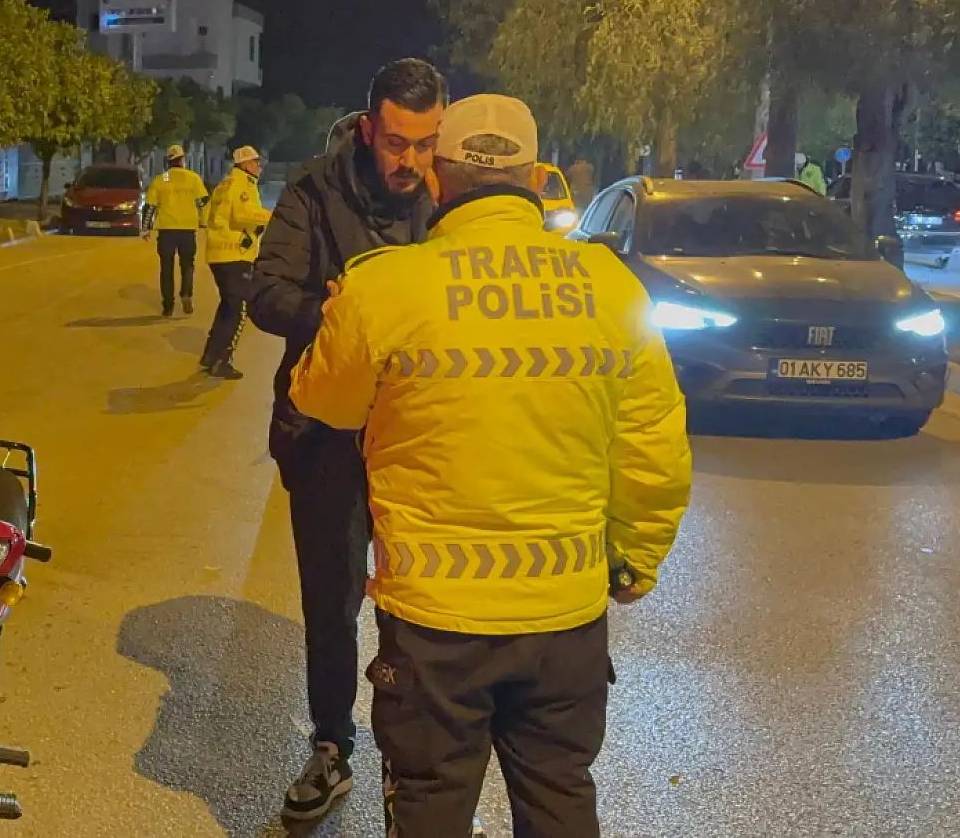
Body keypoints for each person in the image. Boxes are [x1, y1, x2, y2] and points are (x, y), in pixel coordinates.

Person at [289, 94, 692, 837]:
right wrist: (636, 555)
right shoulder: (613, 289)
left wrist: (343, 314)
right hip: (564, 617)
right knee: (560, 795)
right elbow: (653, 442)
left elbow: (325, 401)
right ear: (537, 179)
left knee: (432, 802)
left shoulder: (385, 286)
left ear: (438, 180)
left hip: (435, 624)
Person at [247, 57, 446, 822]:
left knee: (421, 602)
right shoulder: (314, 191)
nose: (411, 162)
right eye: (397, 142)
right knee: (332, 602)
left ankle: (420, 766)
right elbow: (265, 292)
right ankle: (332, 744)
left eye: (426, 144)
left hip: (420, 434)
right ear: (369, 130)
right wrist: (335, 317)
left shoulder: (444, 199)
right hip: (324, 435)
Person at [200, 145, 274, 380]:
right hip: (235, 255)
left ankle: (211, 355)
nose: (259, 166)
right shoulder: (243, 184)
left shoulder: (225, 183)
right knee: (238, 310)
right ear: (244, 164)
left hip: (219, 253)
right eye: (255, 162)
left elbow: (206, 215)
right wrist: (270, 216)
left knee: (227, 306)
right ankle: (223, 359)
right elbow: (242, 214)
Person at [142, 143, 210, 316]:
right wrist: (205, 222)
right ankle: (186, 294)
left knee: (166, 268)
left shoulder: (161, 179)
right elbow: (203, 202)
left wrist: (146, 228)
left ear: (168, 161)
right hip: (187, 230)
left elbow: (150, 206)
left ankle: (168, 306)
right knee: (187, 265)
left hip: (166, 231)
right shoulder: (193, 178)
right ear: (183, 160)